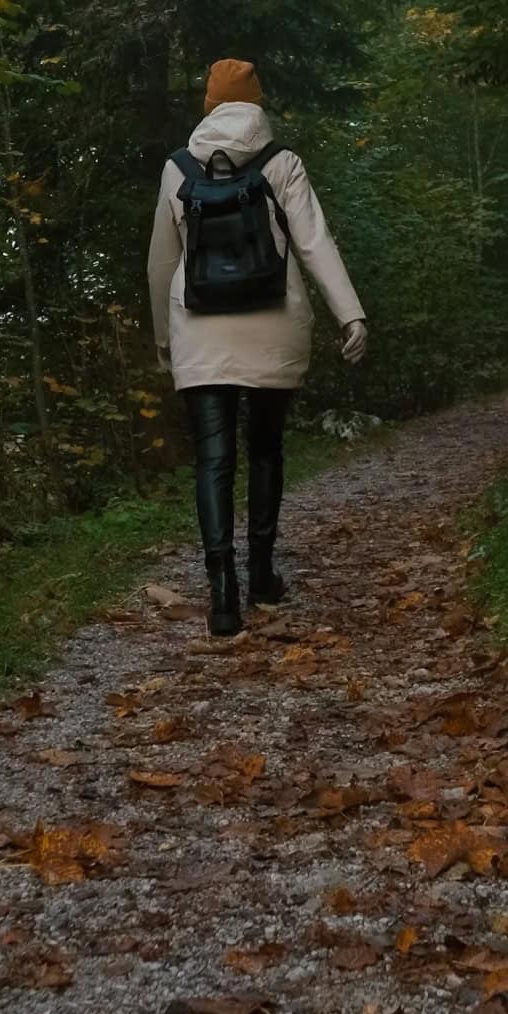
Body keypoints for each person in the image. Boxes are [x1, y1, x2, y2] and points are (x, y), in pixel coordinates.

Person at [147, 58, 369, 636]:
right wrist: (351, 314)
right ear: (257, 103)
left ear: (210, 103)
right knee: (266, 447)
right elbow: (315, 243)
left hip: (198, 324)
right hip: (273, 321)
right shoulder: (282, 163)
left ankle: (223, 597)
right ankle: (263, 574)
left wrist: (162, 335)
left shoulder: (178, 170)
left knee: (213, 459)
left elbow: (161, 263)